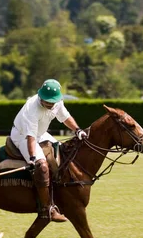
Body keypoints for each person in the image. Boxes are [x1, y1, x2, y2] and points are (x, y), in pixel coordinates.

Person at [10, 79, 88, 222]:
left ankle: (61, 194)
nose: (50, 105)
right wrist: (33, 158)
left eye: (52, 102)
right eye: (47, 102)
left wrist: (78, 131)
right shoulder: (32, 109)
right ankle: (47, 209)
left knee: (63, 153)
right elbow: (31, 137)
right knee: (42, 166)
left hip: (40, 133)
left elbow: (65, 117)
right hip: (22, 136)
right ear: (40, 97)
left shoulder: (57, 102)